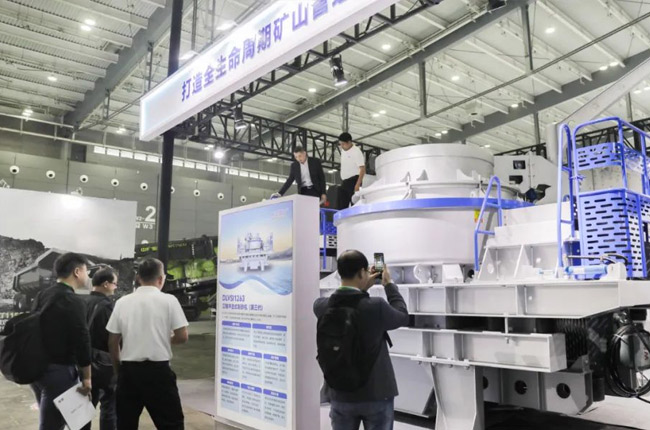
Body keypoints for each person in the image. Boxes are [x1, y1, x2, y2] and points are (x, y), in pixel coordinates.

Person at [314, 250, 409, 430]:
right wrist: (389, 285)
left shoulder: (321, 307)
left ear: (339, 273)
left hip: (339, 393)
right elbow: (402, 316)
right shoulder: (376, 307)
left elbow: (343, 302)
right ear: (361, 272)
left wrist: (360, 289)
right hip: (376, 393)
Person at [107, 258, 188, 430]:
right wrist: (165, 339)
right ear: (161, 278)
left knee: (125, 424)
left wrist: (118, 370)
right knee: (171, 424)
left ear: (138, 278)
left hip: (129, 372)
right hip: (159, 373)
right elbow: (182, 336)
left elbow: (113, 341)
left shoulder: (122, 302)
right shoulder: (169, 300)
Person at [31, 252, 92, 430]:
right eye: (86, 271)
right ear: (77, 272)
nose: (87, 276)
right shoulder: (74, 301)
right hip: (60, 372)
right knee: (58, 424)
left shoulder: (42, 295)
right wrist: (87, 377)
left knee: (74, 422)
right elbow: (82, 339)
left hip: (37, 369)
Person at [82, 266, 119, 430]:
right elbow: (111, 337)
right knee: (109, 405)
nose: (115, 287)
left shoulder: (82, 302)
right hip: (103, 364)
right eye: (114, 283)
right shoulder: (106, 306)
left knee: (84, 408)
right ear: (106, 284)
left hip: (84, 363)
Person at [338, 133, 366, 208]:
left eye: (343, 144)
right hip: (344, 182)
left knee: (354, 204)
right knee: (342, 205)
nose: (341, 146)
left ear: (349, 142)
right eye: (340, 144)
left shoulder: (356, 151)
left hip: (354, 181)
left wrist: (357, 185)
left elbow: (362, 169)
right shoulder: (343, 151)